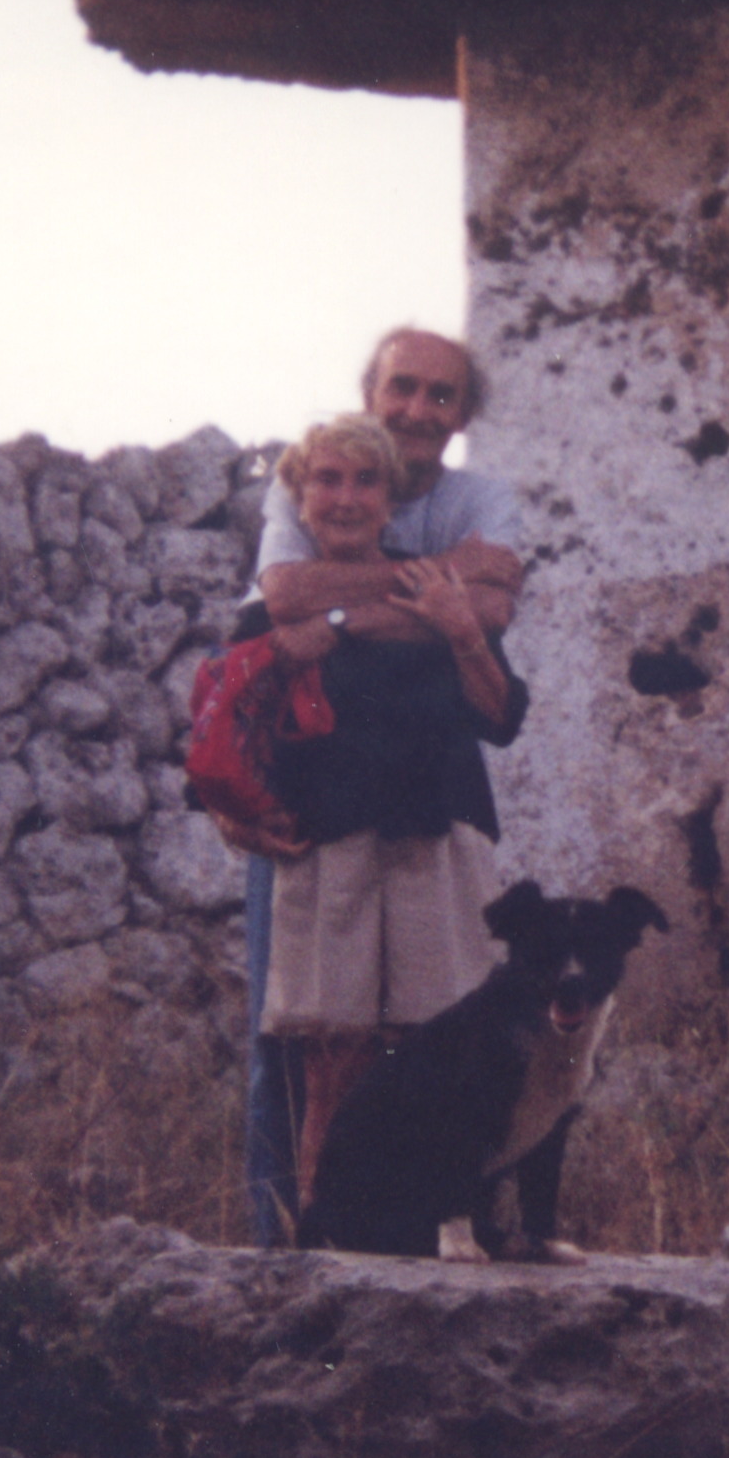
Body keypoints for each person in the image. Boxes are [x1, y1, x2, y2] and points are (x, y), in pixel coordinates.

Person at [220, 330, 525, 1242]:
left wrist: (350, 615)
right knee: (310, 1053)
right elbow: (256, 648)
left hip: (434, 826)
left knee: (442, 1043)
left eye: (441, 396)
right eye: (403, 389)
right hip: (323, 835)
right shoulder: (298, 528)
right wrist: (431, 603)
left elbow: (498, 634)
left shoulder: (478, 503)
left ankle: (429, 1241)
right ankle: (296, 1248)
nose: (419, 410)